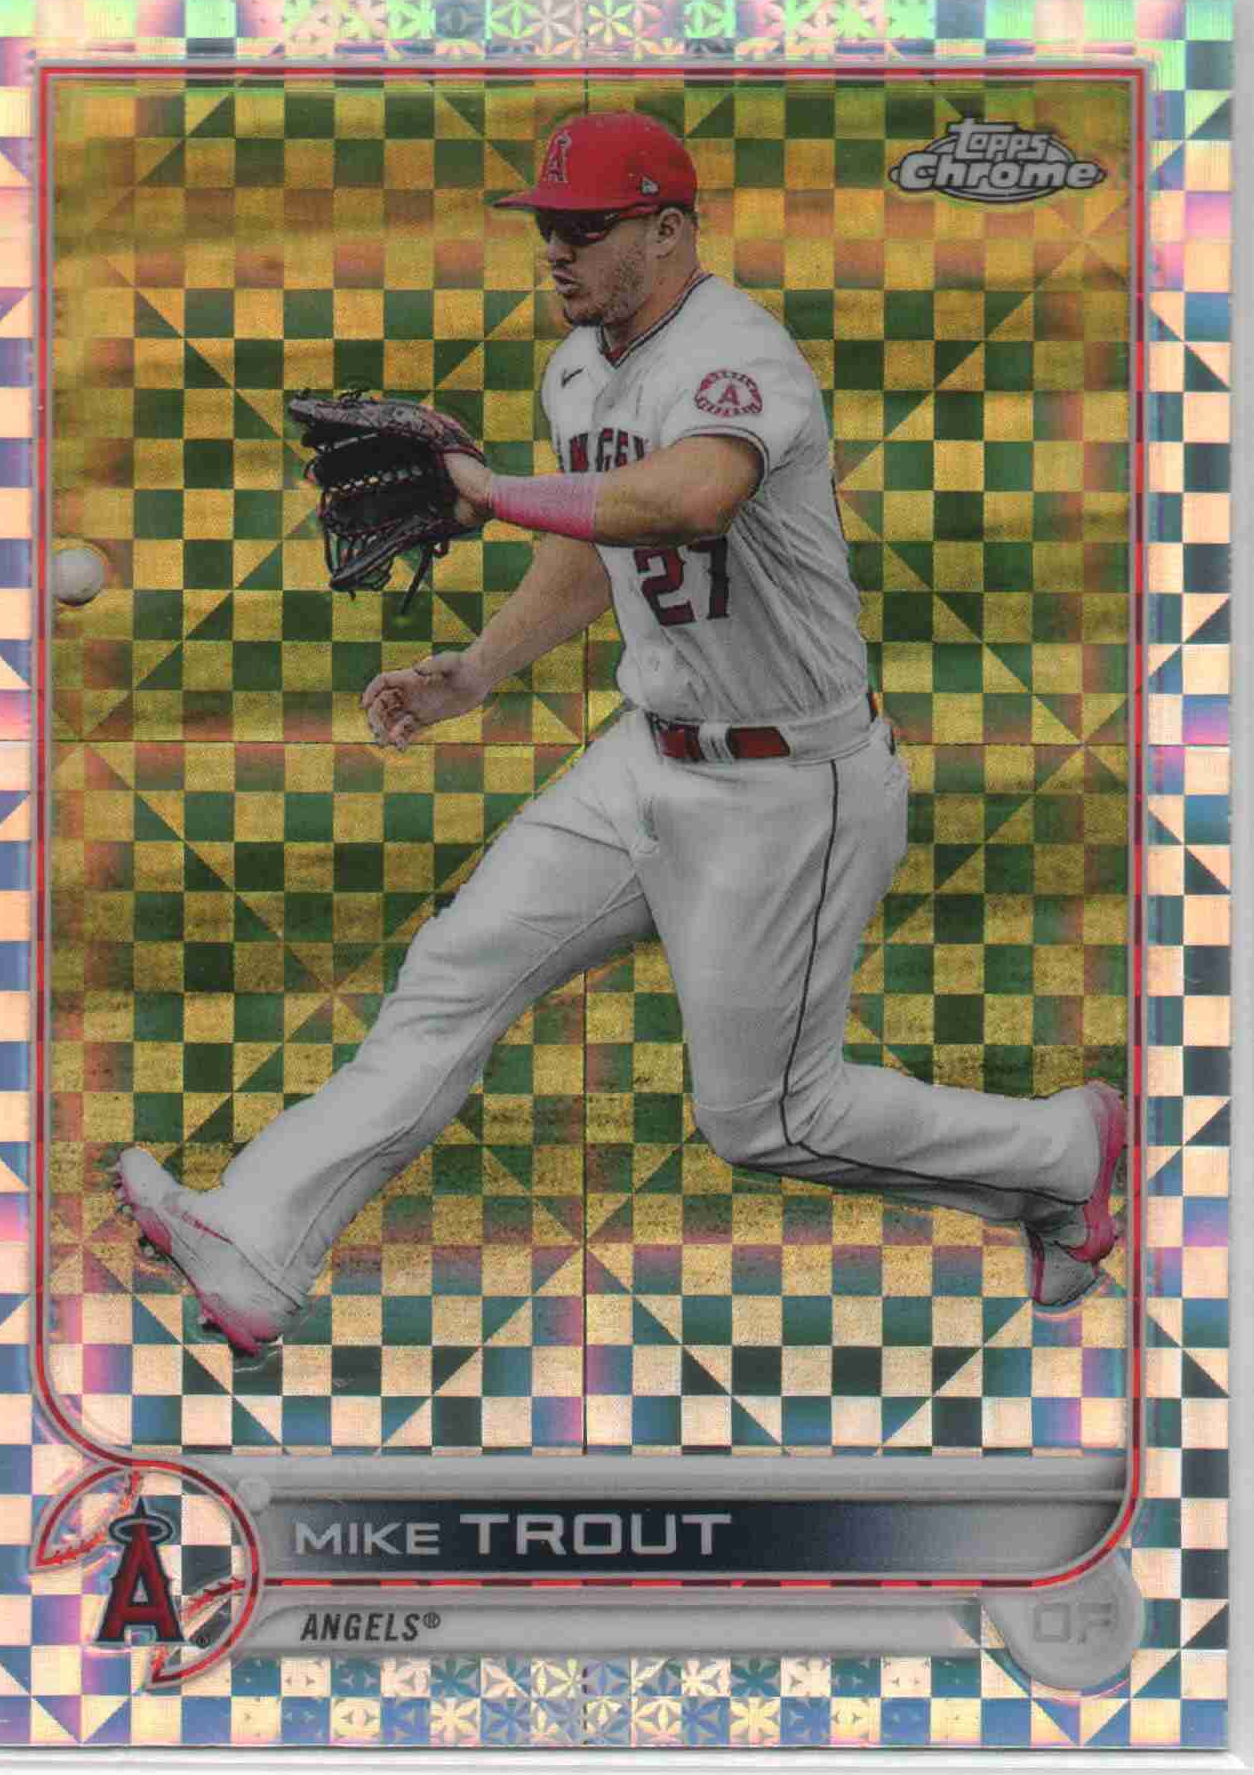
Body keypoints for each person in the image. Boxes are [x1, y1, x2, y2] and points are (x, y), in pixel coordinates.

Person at [117, 111, 1125, 1357]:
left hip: (788, 789)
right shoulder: (579, 368)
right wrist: (476, 672)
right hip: (643, 758)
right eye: (548, 227)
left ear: (668, 229)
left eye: (587, 228)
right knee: (453, 973)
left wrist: (491, 491)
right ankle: (257, 1241)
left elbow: (690, 498)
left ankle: (1062, 1148)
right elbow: (600, 538)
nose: (557, 251)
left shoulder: (736, 354)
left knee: (766, 1119)